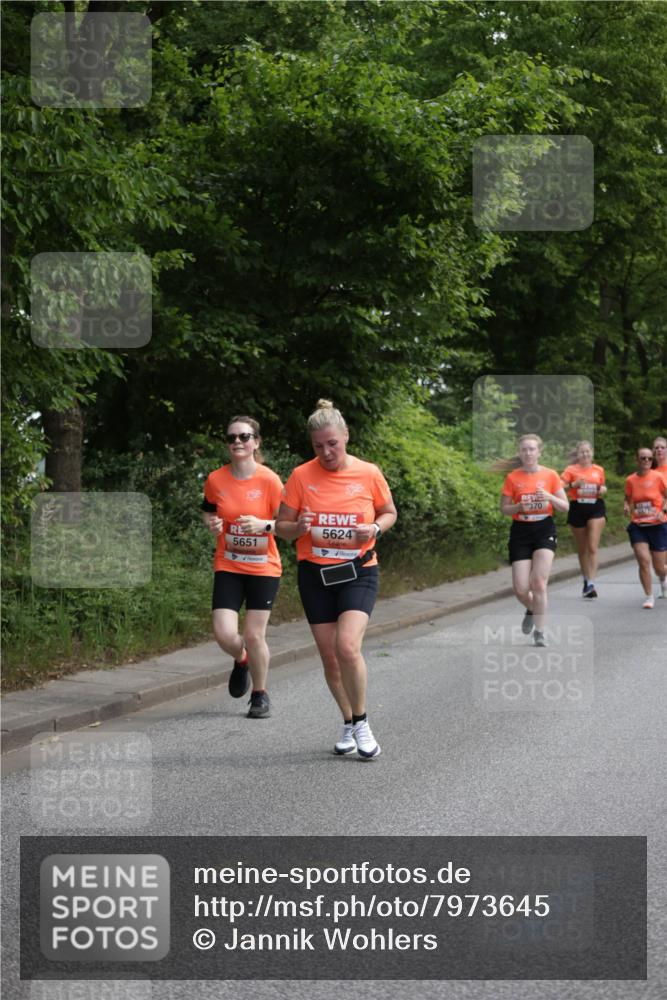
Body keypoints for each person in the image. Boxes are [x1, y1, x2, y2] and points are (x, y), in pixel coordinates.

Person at [276, 400, 397, 759]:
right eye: (318, 446)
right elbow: (282, 527)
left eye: (333, 443)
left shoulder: (368, 473)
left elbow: (389, 512)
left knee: (347, 647)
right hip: (316, 574)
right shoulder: (301, 476)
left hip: (359, 570)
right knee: (330, 658)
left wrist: (374, 527)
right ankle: (347, 721)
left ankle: (361, 721)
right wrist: (297, 528)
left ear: (345, 436)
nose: (326, 452)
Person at [201, 416, 283, 718]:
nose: (237, 442)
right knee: (224, 633)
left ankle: (260, 695)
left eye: (244, 437)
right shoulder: (215, 479)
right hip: (229, 564)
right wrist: (211, 525)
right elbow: (208, 513)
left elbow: (287, 524)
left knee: (253, 634)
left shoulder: (270, 480)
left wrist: (264, 525)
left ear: (256, 443)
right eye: (231, 437)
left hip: (263, 567)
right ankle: (241, 659)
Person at [499, 434, 569, 647]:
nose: (528, 453)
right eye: (524, 450)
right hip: (521, 530)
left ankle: (540, 631)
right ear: (519, 453)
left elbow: (565, 507)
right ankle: (532, 609)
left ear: (539, 452)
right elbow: (503, 509)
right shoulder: (512, 477)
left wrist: (550, 497)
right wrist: (518, 507)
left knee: (538, 583)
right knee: (520, 588)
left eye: (532, 449)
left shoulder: (551, 475)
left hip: (543, 528)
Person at [561, 441, 607, 598]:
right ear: (578, 455)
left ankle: (592, 583)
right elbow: (559, 487)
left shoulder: (598, 470)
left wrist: (603, 489)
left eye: (587, 452)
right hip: (577, 508)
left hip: (596, 507)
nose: (585, 454)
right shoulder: (570, 470)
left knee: (592, 547)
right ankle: (586, 579)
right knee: (582, 549)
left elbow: (602, 488)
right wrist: (574, 484)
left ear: (592, 453)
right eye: (582, 452)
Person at [624, 446, 667, 609]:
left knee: (659, 567)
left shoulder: (658, 477)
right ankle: (649, 596)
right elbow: (628, 498)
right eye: (643, 458)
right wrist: (626, 506)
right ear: (637, 460)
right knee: (643, 561)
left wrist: (663, 510)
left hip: (658, 525)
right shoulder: (630, 480)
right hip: (639, 525)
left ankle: (663, 579)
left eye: (649, 458)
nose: (647, 461)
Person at [651, 436, 667, 597]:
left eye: (662, 447)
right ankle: (664, 583)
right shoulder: (651, 473)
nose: (659, 450)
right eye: (656, 448)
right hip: (656, 520)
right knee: (659, 562)